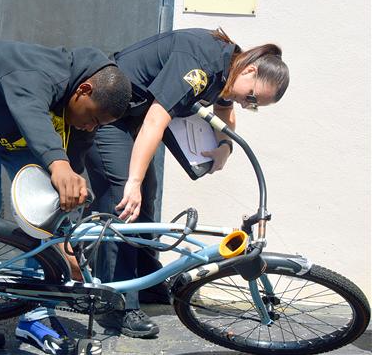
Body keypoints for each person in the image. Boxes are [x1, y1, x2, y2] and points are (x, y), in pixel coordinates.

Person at [85, 28, 289, 338]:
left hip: (131, 119)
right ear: (250, 69)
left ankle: (146, 279)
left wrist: (225, 147)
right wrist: (133, 181)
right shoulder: (201, 66)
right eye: (251, 96)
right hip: (106, 114)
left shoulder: (227, 68)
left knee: (146, 197)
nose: (248, 104)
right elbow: (156, 119)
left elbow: (224, 108)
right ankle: (116, 304)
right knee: (123, 199)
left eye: (255, 105)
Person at [0, 39, 132, 354]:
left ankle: (35, 314)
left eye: (99, 125)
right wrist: (58, 165)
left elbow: (73, 167)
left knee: (48, 207)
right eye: (93, 119)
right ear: (83, 90)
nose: (91, 127)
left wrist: (68, 227)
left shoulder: (82, 112)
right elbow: (30, 110)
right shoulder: (42, 73)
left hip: (12, 128)